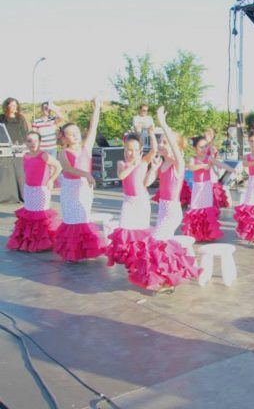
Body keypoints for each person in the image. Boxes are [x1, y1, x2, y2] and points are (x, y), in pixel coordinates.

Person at [130, 106, 201, 292]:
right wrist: (153, 169)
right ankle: (167, 279)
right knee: (162, 244)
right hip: (162, 208)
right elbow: (146, 183)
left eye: (165, 142)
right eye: (161, 141)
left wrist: (163, 123)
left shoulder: (178, 162)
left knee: (157, 240)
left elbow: (174, 146)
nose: (162, 144)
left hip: (172, 211)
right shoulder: (162, 164)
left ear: (175, 146)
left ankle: (167, 279)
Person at [54, 98, 106, 261]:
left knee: (83, 217)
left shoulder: (86, 147)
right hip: (71, 188)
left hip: (85, 188)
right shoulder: (63, 152)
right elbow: (68, 169)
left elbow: (93, 127)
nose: (76, 136)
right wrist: (87, 174)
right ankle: (72, 252)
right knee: (72, 219)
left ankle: (83, 250)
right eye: (71, 134)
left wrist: (96, 108)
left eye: (77, 133)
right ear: (65, 137)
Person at [105, 127, 158, 270]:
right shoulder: (122, 164)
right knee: (125, 229)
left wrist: (152, 134)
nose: (132, 153)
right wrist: (132, 165)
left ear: (140, 151)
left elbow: (153, 151)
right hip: (128, 202)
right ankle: (130, 257)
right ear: (124, 150)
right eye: (129, 149)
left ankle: (142, 258)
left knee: (141, 230)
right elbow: (122, 176)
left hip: (141, 202)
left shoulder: (143, 162)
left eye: (135, 150)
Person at [6, 132, 62, 252]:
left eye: (35, 141)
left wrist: (51, 180)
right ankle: (28, 240)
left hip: (41, 189)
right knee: (29, 214)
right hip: (29, 189)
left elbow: (58, 166)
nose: (32, 144)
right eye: (29, 141)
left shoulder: (44, 155)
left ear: (40, 142)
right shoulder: (25, 156)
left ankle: (42, 242)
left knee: (40, 215)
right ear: (26, 142)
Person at [182, 136, 237, 241]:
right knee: (196, 207)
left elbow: (220, 164)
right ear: (195, 148)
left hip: (206, 186)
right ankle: (196, 233)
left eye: (205, 146)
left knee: (207, 208)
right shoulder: (193, 158)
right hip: (197, 187)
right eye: (200, 147)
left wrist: (232, 170)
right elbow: (191, 167)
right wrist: (203, 166)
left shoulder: (209, 158)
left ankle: (208, 234)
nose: (203, 149)